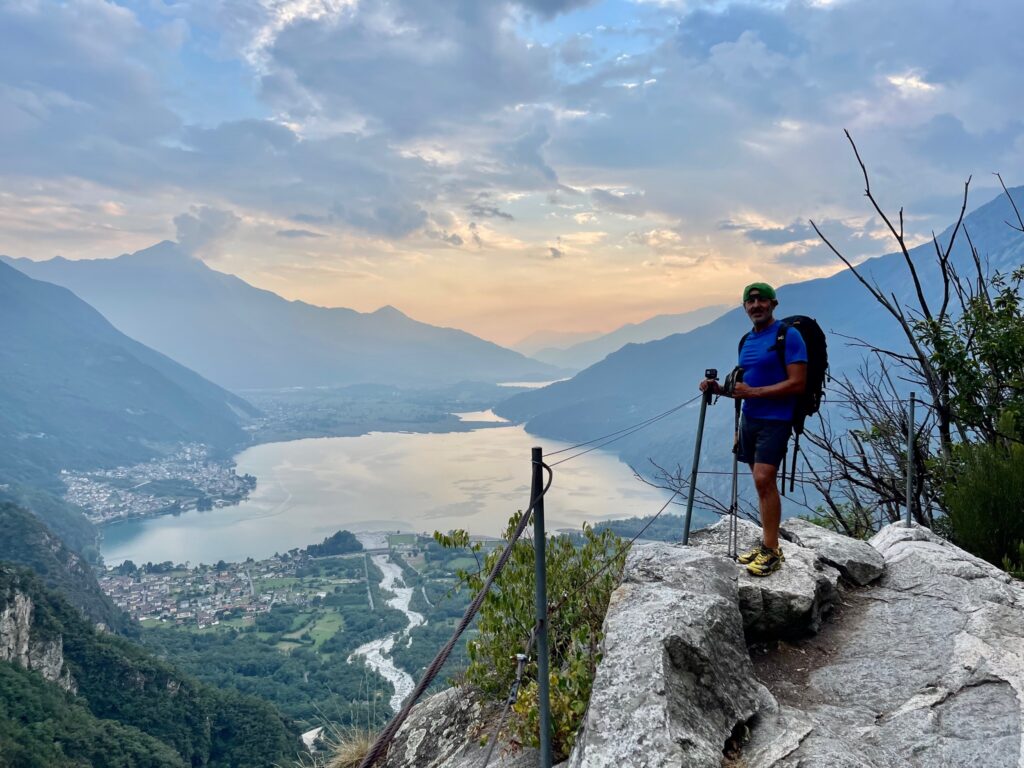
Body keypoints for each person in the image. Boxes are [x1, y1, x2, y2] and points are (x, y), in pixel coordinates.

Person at [699, 282, 807, 576]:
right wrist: (717, 388)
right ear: (744, 307)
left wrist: (754, 393)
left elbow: (798, 383)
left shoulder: (788, 336)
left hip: (777, 418)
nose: (756, 305)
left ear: (774, 304)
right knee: (761, 483)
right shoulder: (746, 341)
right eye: (750, 301)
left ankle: (772, 550)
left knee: (763, 478)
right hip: (750, 418)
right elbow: (741, 390)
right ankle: (766, 544)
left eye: (761, 300)